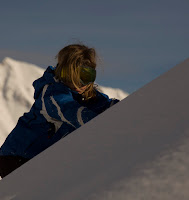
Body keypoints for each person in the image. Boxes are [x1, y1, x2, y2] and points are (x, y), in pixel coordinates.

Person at [0, 44, 119, 178]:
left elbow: (112, 107)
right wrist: (100, 123)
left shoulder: (87, 96)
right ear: (61, 73)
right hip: (15, 157)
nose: (78, 83)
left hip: (42, 158)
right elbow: (70, 111)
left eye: (86, 76)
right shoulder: (51, 94)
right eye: (70, 76)